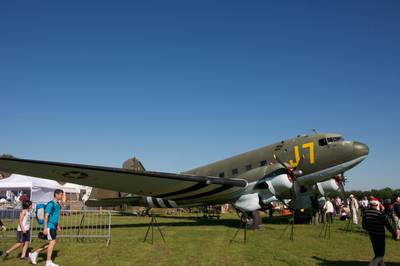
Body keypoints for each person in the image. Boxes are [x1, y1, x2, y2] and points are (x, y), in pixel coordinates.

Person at [29, 189, 64, 266]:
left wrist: (57, 225)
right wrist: (45, 228)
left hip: (53, 226)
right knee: (52, 242)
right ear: (56, 195)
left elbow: (55, 216)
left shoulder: (57, 204)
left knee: (51, 243)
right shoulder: (50, 204)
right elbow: (46, 216)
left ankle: (34, 253)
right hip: (49, 226)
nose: (62, 196)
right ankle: (48, 262)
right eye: (61, 195)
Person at [362, 198, 398, 266]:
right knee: (380, 254)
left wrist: (369, 229)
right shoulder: (379, 213)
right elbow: (388, 225)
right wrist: (395, 233)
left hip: (371, 234)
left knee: (377, 252)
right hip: (380, 235)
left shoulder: (365, 212)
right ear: (377, 204)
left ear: (370, 204)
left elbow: (364, 225)